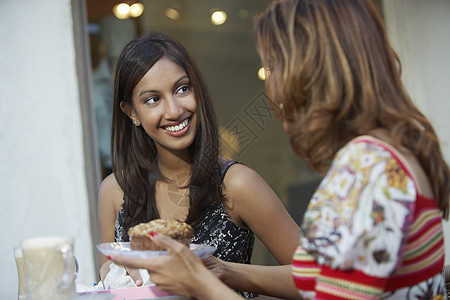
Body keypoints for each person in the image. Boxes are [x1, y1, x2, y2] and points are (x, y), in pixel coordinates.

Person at [108, 0, 450, 299]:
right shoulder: (388, 156)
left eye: (272, 67)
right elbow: (327, 279)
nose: (270, 84)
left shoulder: (367, 168)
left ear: (309, 71)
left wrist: (198, 281)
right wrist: (220, 271)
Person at [97, 32, 300, 298]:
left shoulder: (236, 184)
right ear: (131, 112)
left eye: (183, 89)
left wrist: (224, 270)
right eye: (152, 99)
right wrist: (110, 274)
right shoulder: (115, 191)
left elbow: (321, 280)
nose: (174, 111)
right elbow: (109, 283)